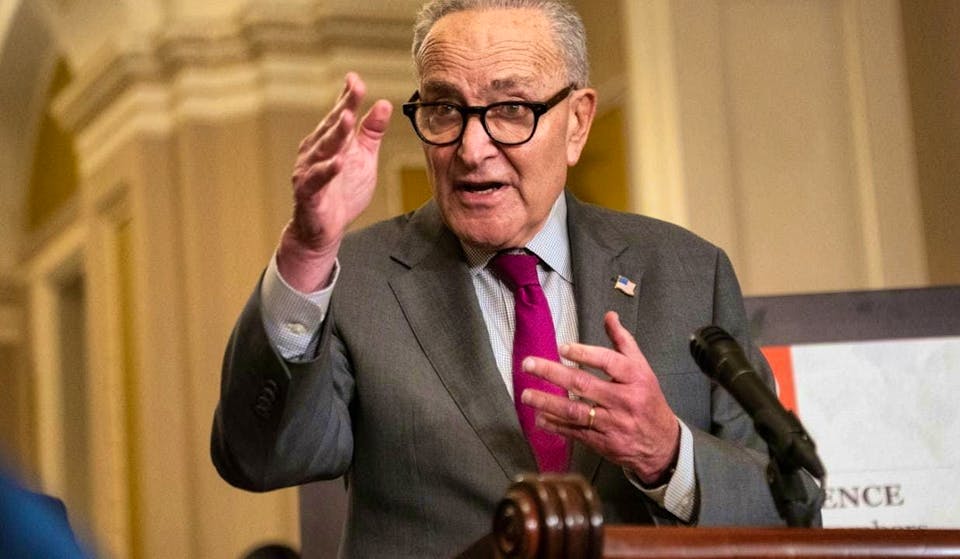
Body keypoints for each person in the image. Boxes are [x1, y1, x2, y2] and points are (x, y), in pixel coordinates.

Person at [211, 0, 820, 556]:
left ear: (577, 122)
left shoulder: (687, 272)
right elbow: (256, 457)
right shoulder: (356, 280)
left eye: (510, 110)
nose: (472, 149)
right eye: (445, 109)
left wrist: (667, 455)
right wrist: (307, 254)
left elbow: (791, 510)